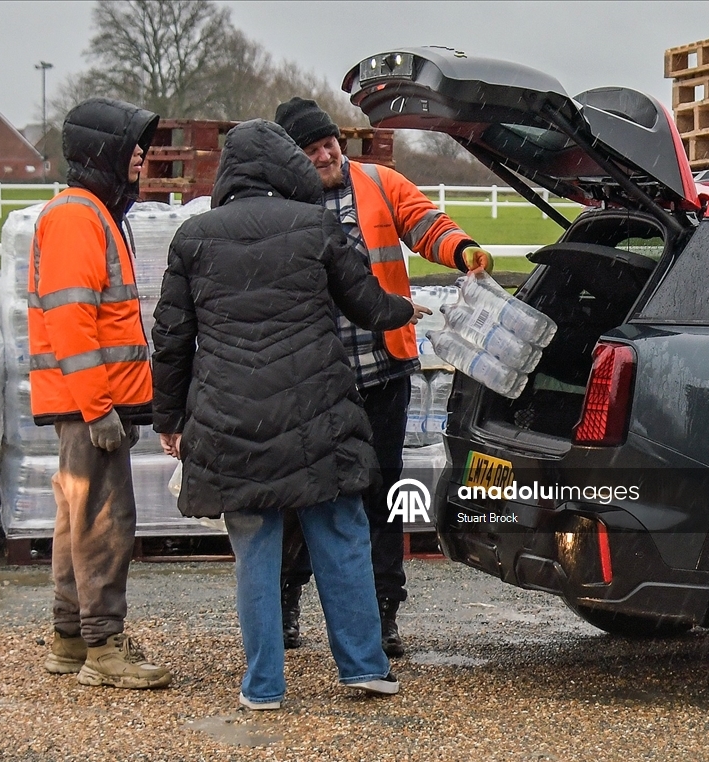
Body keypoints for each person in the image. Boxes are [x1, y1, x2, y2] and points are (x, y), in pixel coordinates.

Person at [151, 119, 431, 710]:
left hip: (230, 418)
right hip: (317, 413)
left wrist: (169, 419)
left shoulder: (193, 236)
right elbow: (367, 304)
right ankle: (363, 667)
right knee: (342, 533)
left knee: (256, 547)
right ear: (285, 168)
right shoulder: (315, 226)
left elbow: (173, 339)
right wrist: (410, 307)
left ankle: (263, 686)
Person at [274, 97, 494, 657]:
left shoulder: (378, 182)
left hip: (381, 374)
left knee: (383, 493)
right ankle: (284, 603)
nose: (326, 154)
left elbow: (426, 223)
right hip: (312, 382)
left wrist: (462, 249)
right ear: (292, 156)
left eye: (330, 142)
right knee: (301, 495)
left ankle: (381, 613)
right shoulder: (281, 202)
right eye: (312, 147)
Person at [28, 97, 171, 689]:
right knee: (104, 525)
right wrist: (98, 407)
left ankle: (69, 638)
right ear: (103, 151)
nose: (141, 155)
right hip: (92, 407)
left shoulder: (91, 214)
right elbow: (72, 321)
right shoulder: (77, 217)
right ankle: (103, 647)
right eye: (133, 145)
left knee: (77, 521)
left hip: (94, 404)